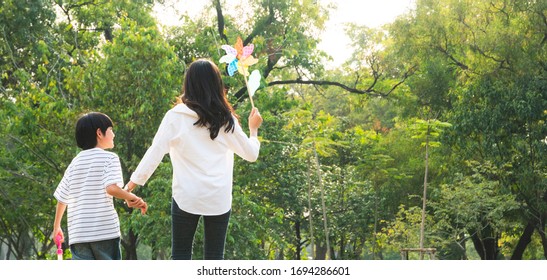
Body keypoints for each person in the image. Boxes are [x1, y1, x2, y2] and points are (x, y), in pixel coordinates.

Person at [124, 58, 263, 260]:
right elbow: (251, 155)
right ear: (217, 84)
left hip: (186, 196)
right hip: (218, 197)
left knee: (180, 256)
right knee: (215, 258)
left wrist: (130, 186)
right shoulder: (226, 119)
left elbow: (154, 153)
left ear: (188, 84)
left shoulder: (175, 116)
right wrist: (254, 129)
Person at [52, 112, 147, 260]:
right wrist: (132, 197)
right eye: (111, 130)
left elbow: (62, 198)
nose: (114, 134)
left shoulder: (74, 163)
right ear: (99, 133)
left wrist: (56, 227)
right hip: (104, 232)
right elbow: (111, 188)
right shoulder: (109, 158)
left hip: (79, 235)